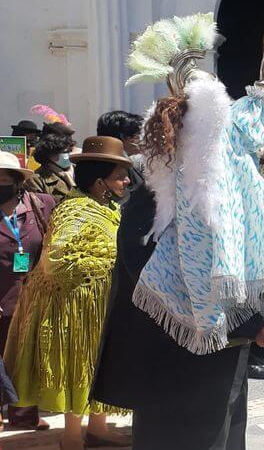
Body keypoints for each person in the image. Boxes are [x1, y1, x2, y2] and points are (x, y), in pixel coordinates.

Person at [123, 13, 264, 355]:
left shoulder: (224, 178)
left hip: (217, 351)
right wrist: (254, 318)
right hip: (180, 361)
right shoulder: (162, 181)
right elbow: (165, 262)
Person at [92, 183, 264, 449]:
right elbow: (171, 274)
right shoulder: (162, 192)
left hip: (224, 356)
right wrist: (253, 316)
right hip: (181, 368)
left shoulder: (212, 181)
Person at [3, 136, 132, 450]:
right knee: (80, 370)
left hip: (100, 306)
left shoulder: (106, 207)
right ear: (100, 181)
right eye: (119, 176)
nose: (127, 180)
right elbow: (59, 261)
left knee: (102, 368)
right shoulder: (76, 210)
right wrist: (111, 263)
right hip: (74, 310)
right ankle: (72, 436)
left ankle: (98, 429)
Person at [0, 151, 54, 430]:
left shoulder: (40, 205)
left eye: (4, 178)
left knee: (27, 357)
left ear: (18, 180)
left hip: (34, 297)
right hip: (2, 297)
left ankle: (23, 415)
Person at [96, 110, 145, 187]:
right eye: (139, 135)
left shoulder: (97, 159)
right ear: (124, 137)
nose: (143, 140)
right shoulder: (117, 165)